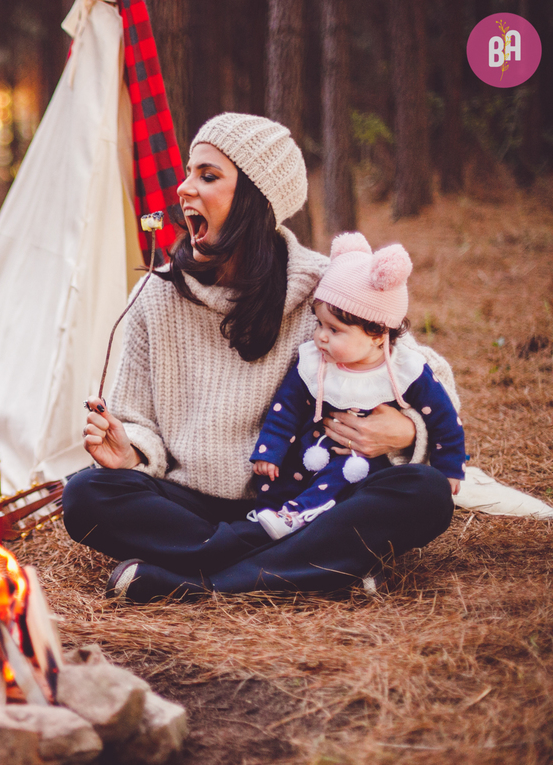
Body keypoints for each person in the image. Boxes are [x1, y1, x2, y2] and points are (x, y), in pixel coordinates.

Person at [63, 112, 459, 601]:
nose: (184, 189)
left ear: (254, 198)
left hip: (307, 500)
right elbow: (134, 417)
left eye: (208, 176)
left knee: (425, 492)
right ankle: (311, 567)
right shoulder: (155, 295)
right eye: (189, 173)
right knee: (85, 494)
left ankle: (197, 584)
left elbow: (422, 371)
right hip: (195, 507)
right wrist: (130, 451)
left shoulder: (324, 286)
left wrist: (407, 430)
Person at [250, 232, 465, 539]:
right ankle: (265, 518)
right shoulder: (315, 361)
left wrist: (450, 468)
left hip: (360, 463)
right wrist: (269, 451)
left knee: (341, 478)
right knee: (278, 474)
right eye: (319, 324)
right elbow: (285, 407)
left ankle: (298, 515)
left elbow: (445, 420)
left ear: (377, 333)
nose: (321, 336)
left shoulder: (406, 370)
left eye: (335, 330)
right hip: (313, 447)